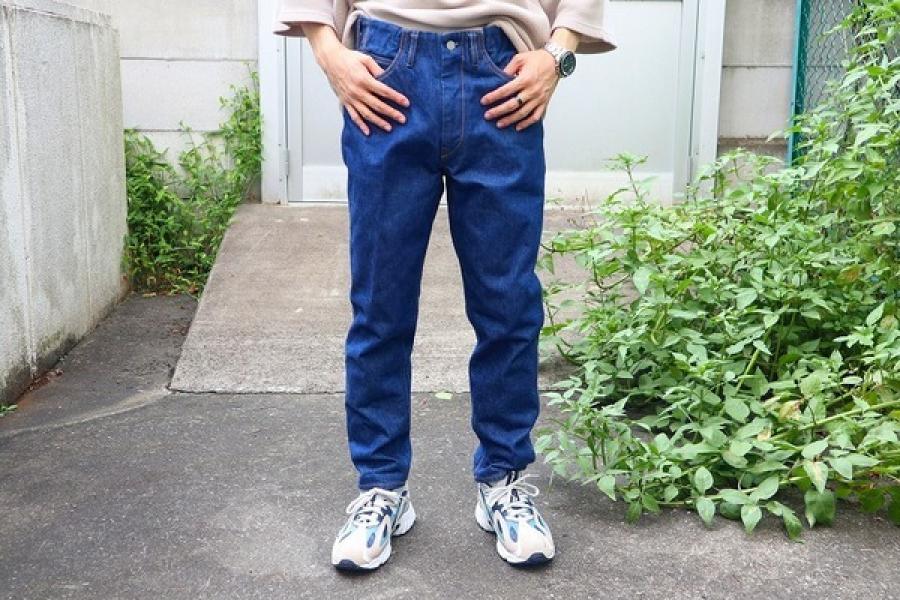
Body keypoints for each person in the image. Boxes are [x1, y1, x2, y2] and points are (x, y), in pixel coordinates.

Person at [273, 0, 616, 571]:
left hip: (501, 77)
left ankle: (503, 481)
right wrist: (328, 51)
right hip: (385, 74)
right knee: (379, 306)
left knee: (508, 305)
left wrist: (557, 55)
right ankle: (381, 488)